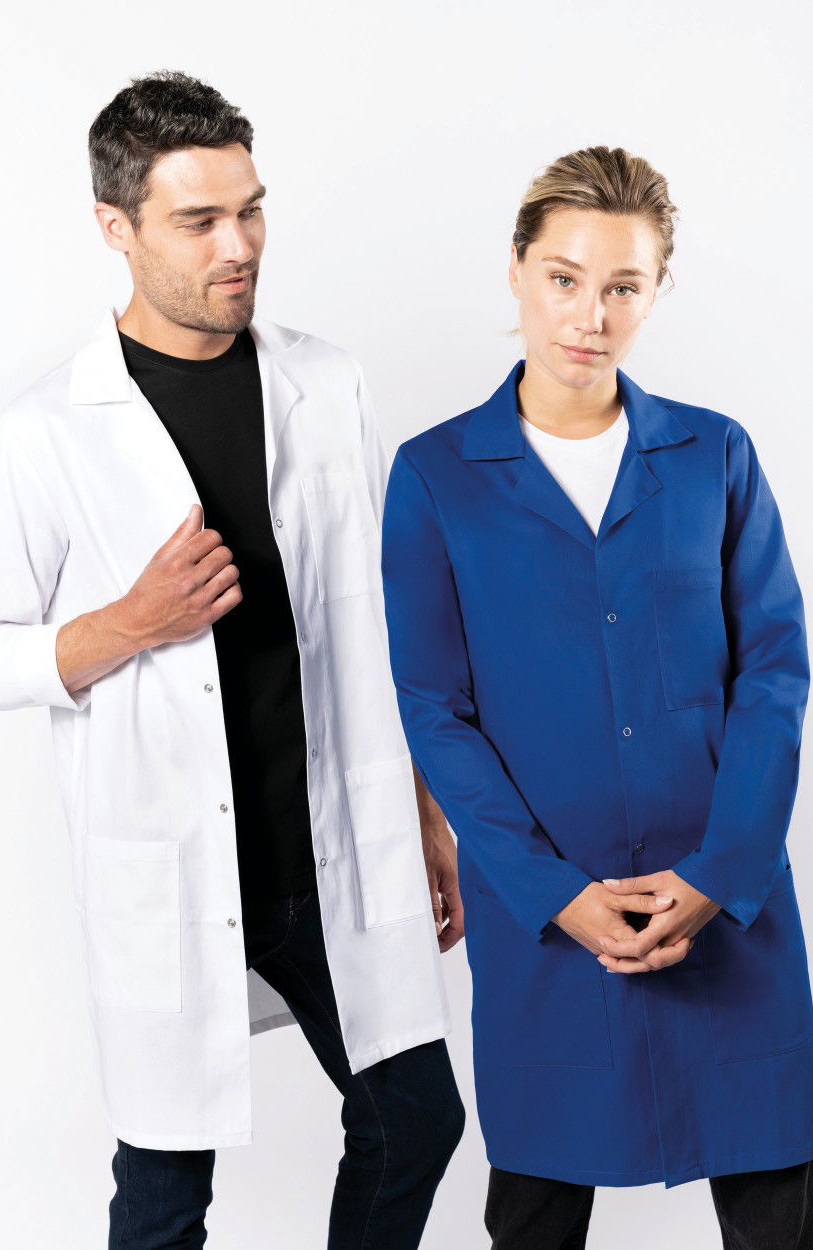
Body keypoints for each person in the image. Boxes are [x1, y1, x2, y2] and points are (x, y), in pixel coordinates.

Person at [0, 70, 465, 1249]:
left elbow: (377, 617)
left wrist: (423, 808)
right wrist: (129, 620)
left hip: (326, 850)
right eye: (198, 220)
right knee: (164, 1194)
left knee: (413, 1116)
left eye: (250, 210)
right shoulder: (46, 432)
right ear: (116, 226)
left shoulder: (326, 380)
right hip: (175, 865)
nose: (238, 245)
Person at [380, 144, 813, 1248]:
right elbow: (433, 707)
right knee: (534, 1210)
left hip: (725, 908)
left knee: (778, 1206)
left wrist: (719, 873)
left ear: (656, 290)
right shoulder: (435, 477)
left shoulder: (714, 455)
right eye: (564, 278)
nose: (590, 315)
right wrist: (551, 891)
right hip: (547, 922)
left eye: (623, 285)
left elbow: (773, 671)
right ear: (516, 270)